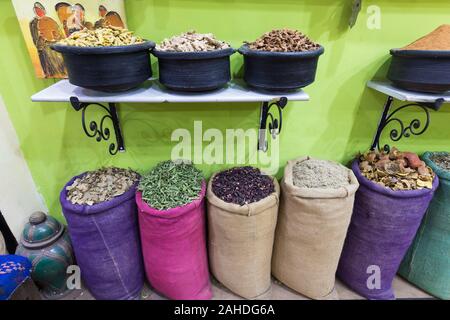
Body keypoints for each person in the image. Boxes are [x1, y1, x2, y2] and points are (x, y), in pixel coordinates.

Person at [29, 2, 66, 77]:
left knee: (62, 70)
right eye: (37, 10)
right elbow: (36, 41)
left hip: (56, 49)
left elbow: (60, 35)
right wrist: (41, 38)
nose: (39, 12)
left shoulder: (50, 20)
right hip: (45, 50)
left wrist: (57, 36)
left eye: (40, 9)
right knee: (51, 71)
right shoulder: (33, 23)